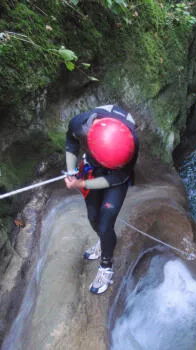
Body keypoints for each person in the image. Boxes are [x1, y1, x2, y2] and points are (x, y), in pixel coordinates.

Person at [64, 105, 139, 294]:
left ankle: (106, 266)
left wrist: (82, 184)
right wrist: (72, 171)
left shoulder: (129, 144)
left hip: (116, 173)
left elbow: (116, 178)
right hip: (94, 164)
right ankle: (104, 241)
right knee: (93, 217)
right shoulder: (81, 124)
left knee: (106, 222)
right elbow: (71, 143)